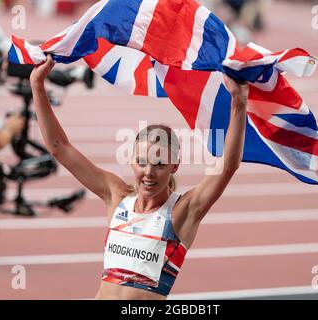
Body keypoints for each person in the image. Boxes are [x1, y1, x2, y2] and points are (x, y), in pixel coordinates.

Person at [29, 55, 248, 300]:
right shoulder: (116, 195)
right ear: (132, 161)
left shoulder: (183, 211)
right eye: (141, 162)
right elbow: (60, 147)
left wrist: (238, 102)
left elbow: (228, 165)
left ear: (174, 166)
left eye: (159, 164)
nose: (148, 172)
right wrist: (37, 86)